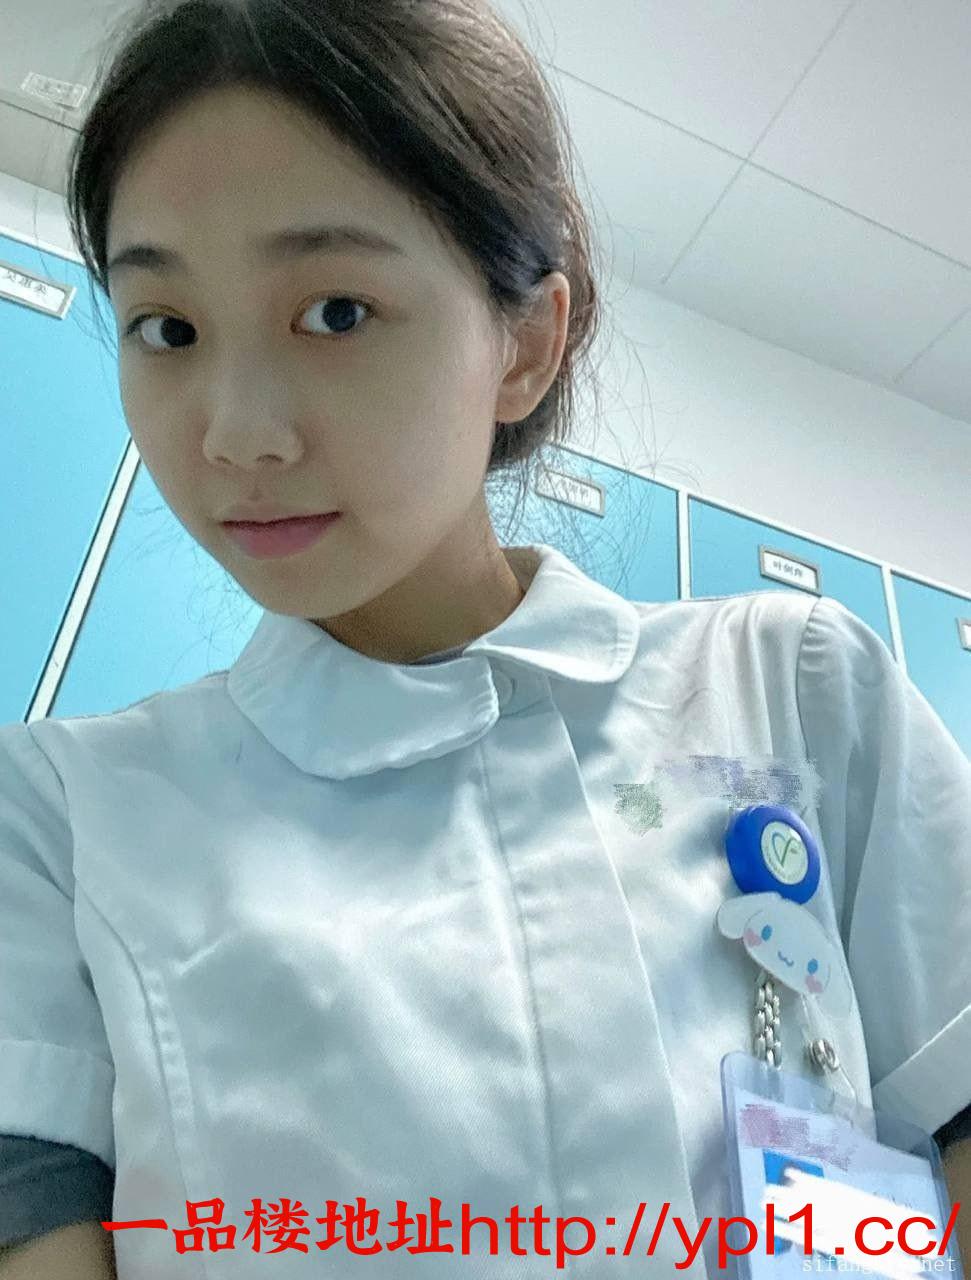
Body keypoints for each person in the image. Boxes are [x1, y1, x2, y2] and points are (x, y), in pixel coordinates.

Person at [2, 1, 969, 1276]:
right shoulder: (55, 820)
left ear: (523, 342)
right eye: (166, 328)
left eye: (334, 311)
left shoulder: (792, 684)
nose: (236, 433)